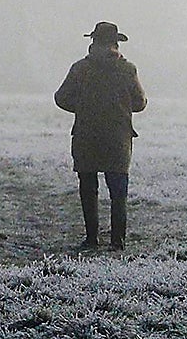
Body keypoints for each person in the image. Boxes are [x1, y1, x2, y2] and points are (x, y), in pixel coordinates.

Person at [55, 22, 147, 250]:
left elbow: (61, 98)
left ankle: (91, 238)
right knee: (118, 192)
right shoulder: (128, 69)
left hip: (86, 136)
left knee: (88, 188)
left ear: (93, 43)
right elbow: (140, 103)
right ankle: (118, 241)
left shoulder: (80, 69)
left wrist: (84, 108)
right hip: (118, 139)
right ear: (116, 43)